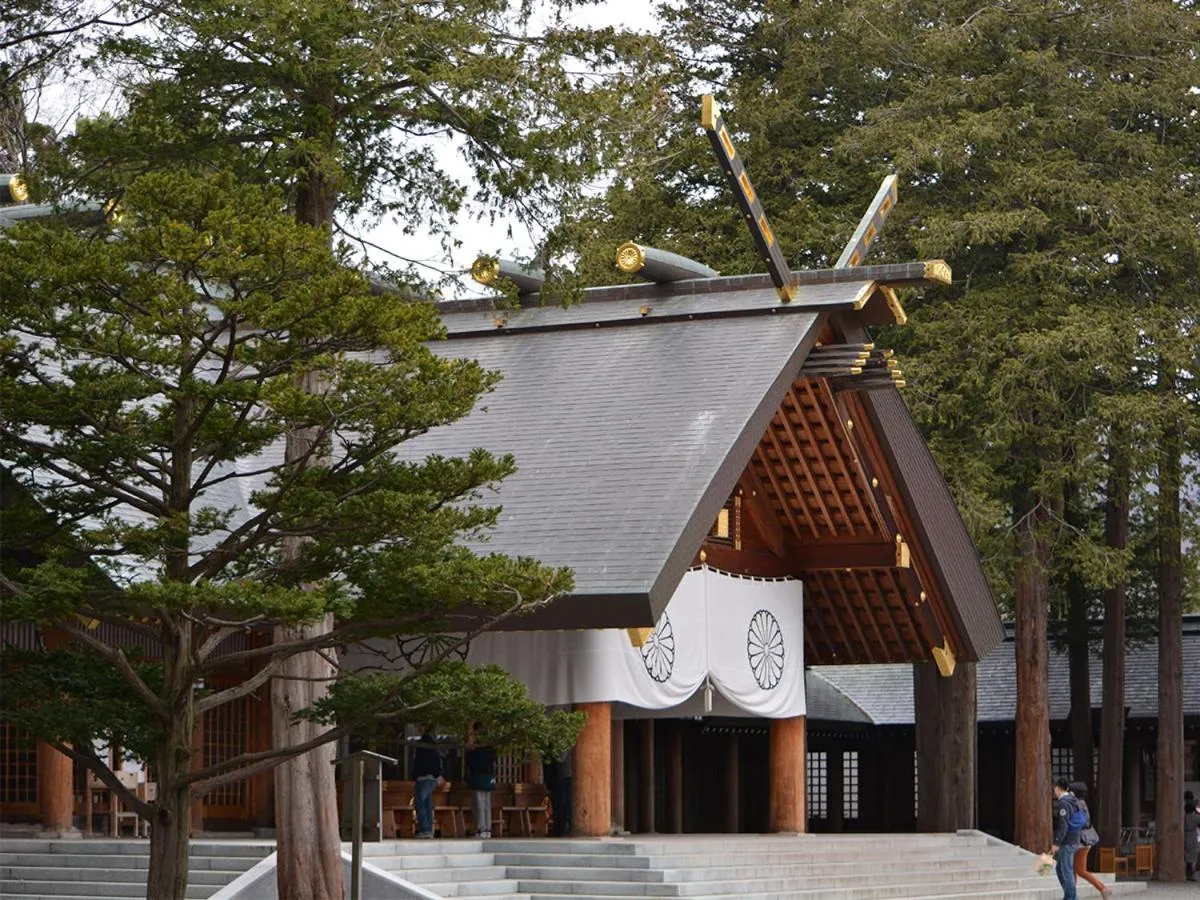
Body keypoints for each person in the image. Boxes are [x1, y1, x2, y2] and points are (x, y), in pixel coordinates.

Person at [1068, 782, 1109, 898]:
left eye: (1070, 791)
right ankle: (1101, 889)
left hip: (1078, 841)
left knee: (1078, 870)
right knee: (1076, 869)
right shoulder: (1082, 804)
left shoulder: (1075, 805)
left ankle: (1102, 888)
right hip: (1085, 840)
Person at [1051, 777, 1084, 900]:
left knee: (1066, 871)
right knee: (1060, 869)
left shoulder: (1063, 803)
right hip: (1074, 838)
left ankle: (1071, 897)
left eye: (1055, 788)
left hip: (1067, 841)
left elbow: (1063, 825)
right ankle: (1069, 895)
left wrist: (1056, 842)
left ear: (1057, 788)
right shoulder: (1073, 800)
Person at [465, 722, 496, 839]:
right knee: (486, 803)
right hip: (488, 776)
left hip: (478, 776)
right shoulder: (490, 747)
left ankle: (481, 828)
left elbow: (470, 761)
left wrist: (470, 751)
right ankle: (487, 828)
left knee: (479, 803)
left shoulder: (476, 747)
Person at [412, 728, 444, 838]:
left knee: (419, 803)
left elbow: (418, 763)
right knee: (427, 804)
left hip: (423, 778)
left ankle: (425, 828)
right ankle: (429, 829)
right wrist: (437, 774)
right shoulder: (434, 749)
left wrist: (414, 775)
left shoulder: (421, 748)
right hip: (432, 779)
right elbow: (436, 763)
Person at [1185, 799, 1199, 882]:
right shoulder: (1196, 817)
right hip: (1193, 835)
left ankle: (1186, 873)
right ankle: (1192, 875)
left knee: (1185, 856)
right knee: (1193, 857)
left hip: (1184, 834)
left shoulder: (1183, 817)